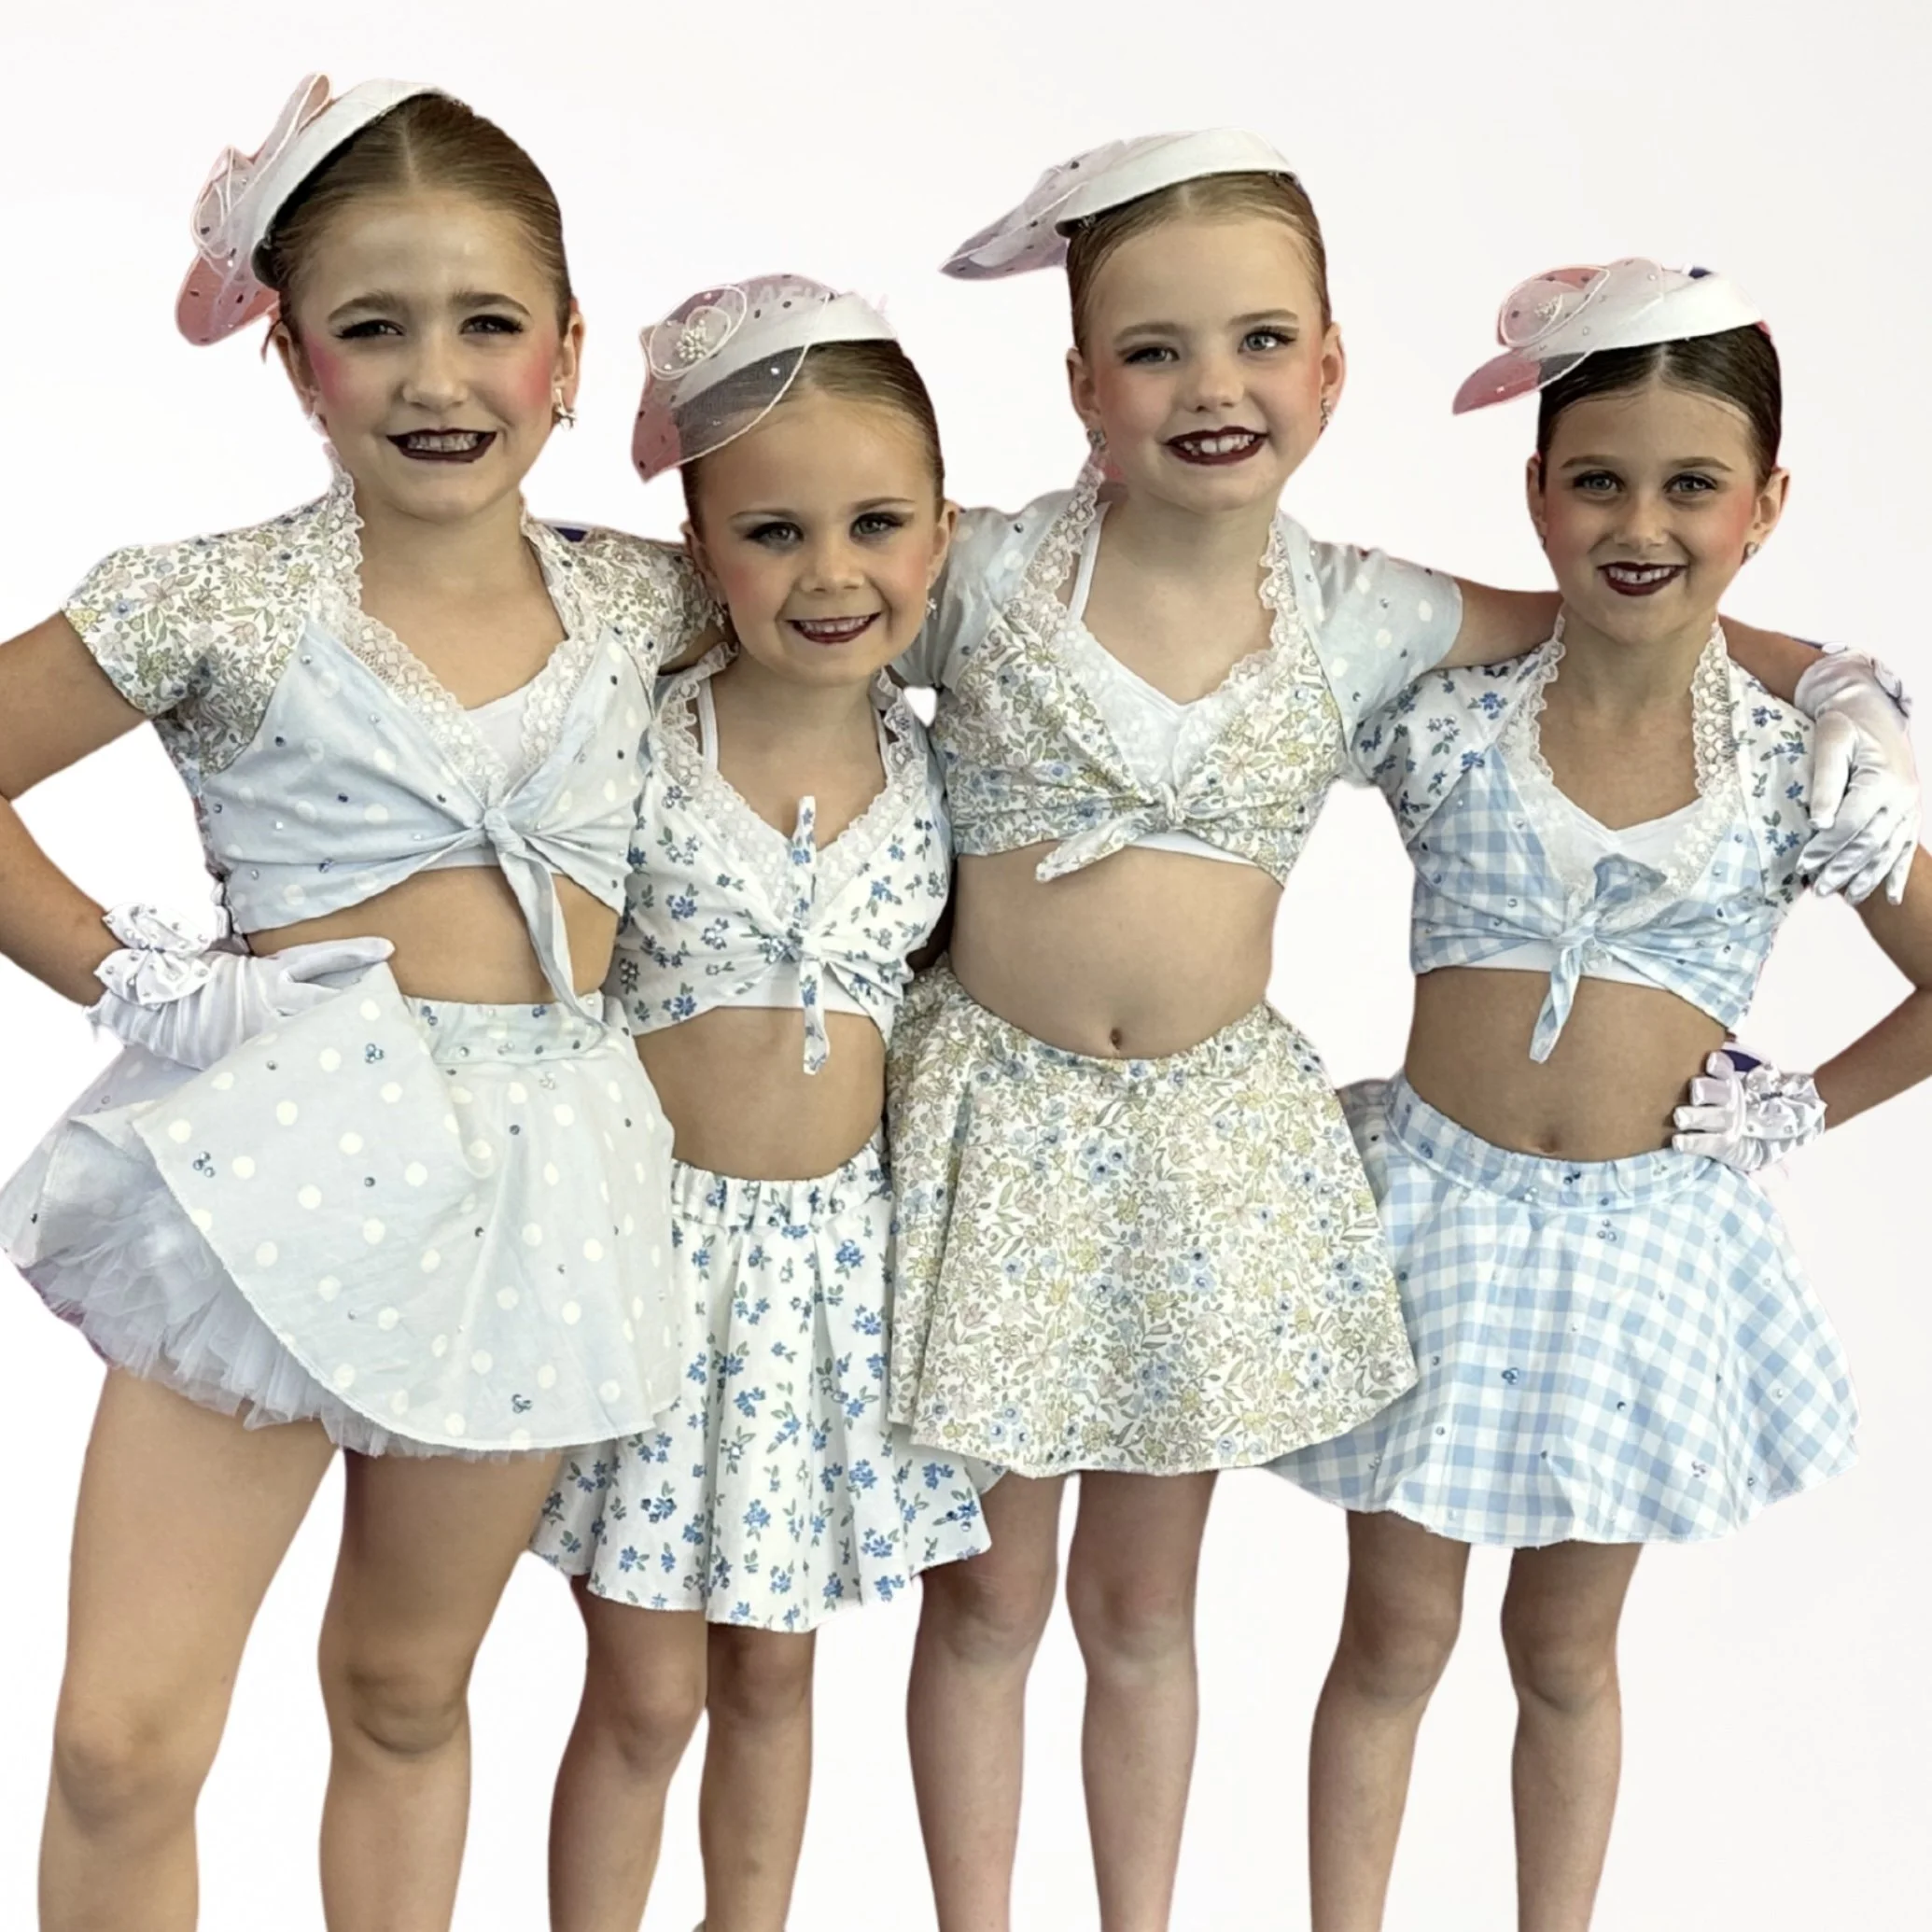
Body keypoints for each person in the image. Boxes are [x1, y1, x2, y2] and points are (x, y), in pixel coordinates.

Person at [888, 134, 1918, 1931]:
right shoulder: (1040, 589)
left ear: (1329, 363)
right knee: (1094, 1609)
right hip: (1134, 1157)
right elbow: (779, 588)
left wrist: (1842, 685)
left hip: (1425, 1200)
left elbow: (1654, 628)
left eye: (1260, 341)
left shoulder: (1467, 656)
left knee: (1399, 1634)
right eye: (1153, 349)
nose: (1213, 387)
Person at [0, 76, 703, 1930]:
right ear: (297, 357)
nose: (436, 378)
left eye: (486, 325)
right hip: (279, 1174)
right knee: (121, 1742)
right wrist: (139, 983)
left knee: (404, 1693)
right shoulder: (217, 598)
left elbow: (884, 565)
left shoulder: (657, 601)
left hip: (543, 1184)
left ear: (568, 351)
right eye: (375, 330)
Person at [1275, 259, 1930, 1932]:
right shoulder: (1451, 707)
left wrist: (1803, 1103)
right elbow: (1267, 671)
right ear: (1537, 493)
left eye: (1692, 485)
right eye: (1598, 479)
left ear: (1764, 504)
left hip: (1638, 1257)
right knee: (1391, 1635)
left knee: (1562, 1650)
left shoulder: (1798, 765)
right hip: (1431, 1214)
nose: (1641, 520)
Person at [532, 276, 990, 1932]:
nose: (830, 571)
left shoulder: (941, 763)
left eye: (875, 524)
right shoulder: (640, 735)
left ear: (941, 536)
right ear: (696, 542)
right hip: (652, 1261)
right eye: (773, 531)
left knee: (777, 1688)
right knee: (647, 1694)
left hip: (822, 1285)